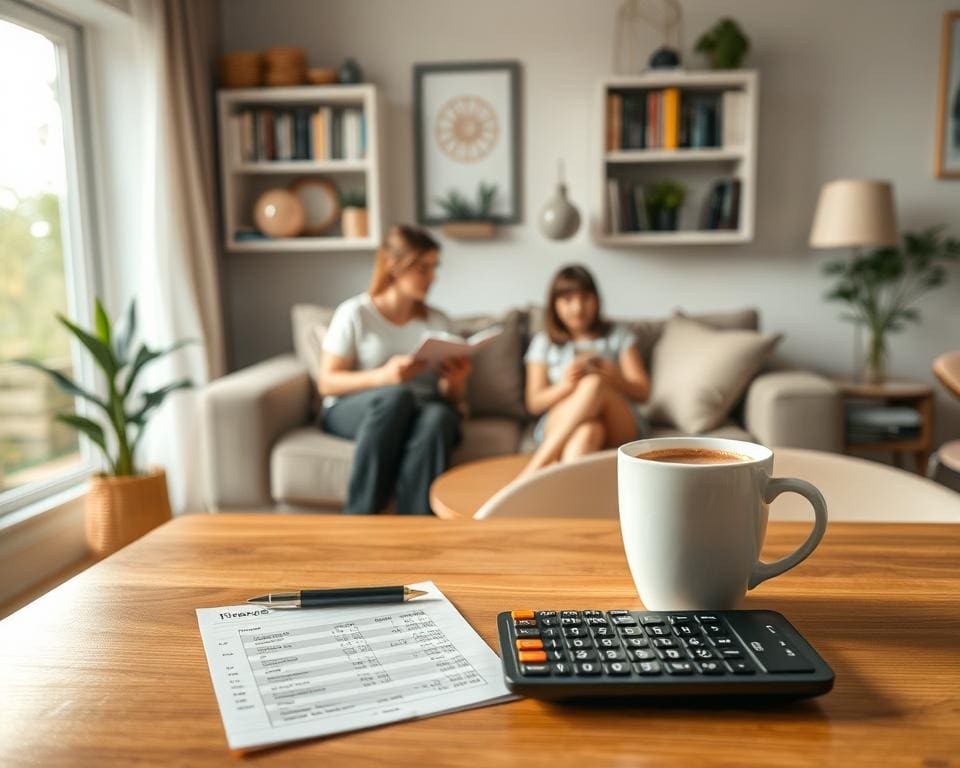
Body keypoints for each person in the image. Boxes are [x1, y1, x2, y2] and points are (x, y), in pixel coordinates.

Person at [318, 225, 471, 515]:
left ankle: (417, 527)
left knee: (439, 417)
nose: (432, 277)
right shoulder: (355, 313)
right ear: (393, 266)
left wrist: (455, 382)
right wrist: (384, 377)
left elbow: (450, 398)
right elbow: (326, 383)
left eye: (434, 268)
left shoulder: (438, 321)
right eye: (423, 268)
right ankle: (360, 517)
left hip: (422, 409)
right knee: (396, 397)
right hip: (357, 409)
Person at [519, 264, 650, 479]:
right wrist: (566, 386)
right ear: (554, 304)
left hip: (617, 421)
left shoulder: (618, 335)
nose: (578, 307)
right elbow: (534, 403)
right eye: (568, 299)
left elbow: (644, 392)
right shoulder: (544, 342)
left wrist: (614, 378)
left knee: (594, 383)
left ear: (596, 299)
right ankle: (568, 495)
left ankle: (532, 471)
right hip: (562, 422)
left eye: (585, 298)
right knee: (588, 431)